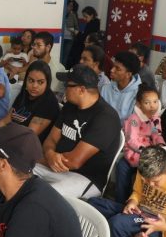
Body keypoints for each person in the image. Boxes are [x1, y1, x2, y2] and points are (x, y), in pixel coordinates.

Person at [36, 64, 122, 199]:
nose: (64, 88)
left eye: (67, 85)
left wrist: (46, 158)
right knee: (15, 171)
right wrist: (50, 154)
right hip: (54, 165)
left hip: (85, 177)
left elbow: (74, 161)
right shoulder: (70, 106)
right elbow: (50, 140)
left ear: (81, 90)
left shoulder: (106, 117)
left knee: (42, 195)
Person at [114, 85, 165, 204]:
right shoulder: (134, 119)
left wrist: (160, 145)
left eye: (155, 101)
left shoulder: (156, 118)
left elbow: (157, 134)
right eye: (147, 103)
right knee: (122, 168)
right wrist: (146, 151)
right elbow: (132, 140)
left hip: (149, 153)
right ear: (139, 104)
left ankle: (144, 204)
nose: (152, 106)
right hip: (133, 152)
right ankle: (120, 202)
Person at [0, 60, 59, 144]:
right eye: (31, 80)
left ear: (47, 83)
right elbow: (5, 121)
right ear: (26, 80)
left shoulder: (49, 103)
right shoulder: (25, 93)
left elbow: (27, 136)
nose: (34, 86)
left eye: (40, 82)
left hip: (26, 147)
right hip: (9, 139)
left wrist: (0, 142)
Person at [100, 51, 143, 123]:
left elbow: (133, 123)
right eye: (113, 66)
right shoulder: (105, 88)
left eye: (117, 68)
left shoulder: (138, 94)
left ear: (128, 74)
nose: (112, 70)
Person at [61, 0, 79, 66]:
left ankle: (62, 70)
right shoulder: (60, 14)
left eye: (72, 6)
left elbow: (77, 28)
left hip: (69, 39)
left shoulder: (72, 15)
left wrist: (73, 31)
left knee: (65, 57)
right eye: (69, 6)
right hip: (61, 39)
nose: (71, 7)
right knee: (59, 55)